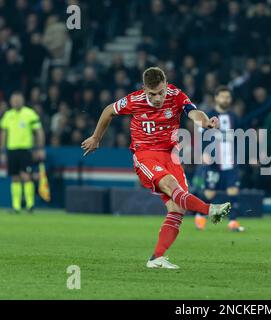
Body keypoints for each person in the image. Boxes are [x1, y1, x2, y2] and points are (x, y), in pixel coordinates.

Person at [81, 67, 231, 269]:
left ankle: (156, 258)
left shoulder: (175, 95)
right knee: (171, 185)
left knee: (177, 208)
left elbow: (193, 112)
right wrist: (96, 138)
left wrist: (205, 122)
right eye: (152, 94)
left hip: (171, 156)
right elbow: (109, 110)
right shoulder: (134, 100)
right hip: (146, 155)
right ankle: (209, 209)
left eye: (161, 92)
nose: (158, 98)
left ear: (166, 86)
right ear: (144, 89)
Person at [193, 86, 245, 232]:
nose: (225, 100)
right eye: (222, 97)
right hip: (213, 159)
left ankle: (233, 221)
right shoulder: (208, 115)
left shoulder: (234, 117)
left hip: (230, 160)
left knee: (233, 190)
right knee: (210, 192)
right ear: (216, 98)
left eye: (227, 97)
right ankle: (199, 216)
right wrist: (204, 152)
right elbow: (201, 135)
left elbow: (241, 137)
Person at [0, 92, 46, 213]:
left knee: (26, 176)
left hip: (25, 150)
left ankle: (30, 205)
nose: (16, 102)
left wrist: (40, 148)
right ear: (11, 101)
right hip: (11, 150)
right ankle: (16, 206)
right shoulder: (8, 115)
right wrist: (2, 151)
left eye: (18, 99)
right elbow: (3, 134)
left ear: (22, 100)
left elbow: (39, 131)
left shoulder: (29, 113)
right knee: (14, 177)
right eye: (14, 100)